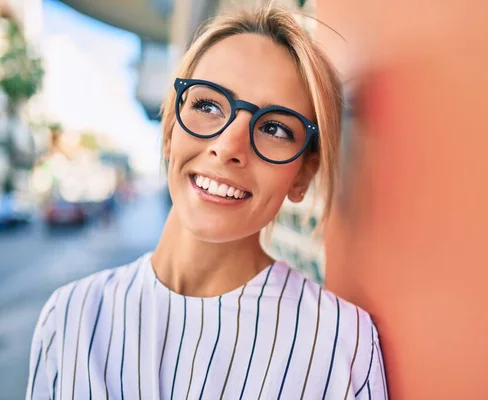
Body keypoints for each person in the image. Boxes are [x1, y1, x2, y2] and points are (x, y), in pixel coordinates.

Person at [26, 4, 388, 399]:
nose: (227, 146)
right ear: (169, 131)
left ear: (302, 175)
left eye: (274, 128)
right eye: (208, 105)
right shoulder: (71, 318)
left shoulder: (343, 346)